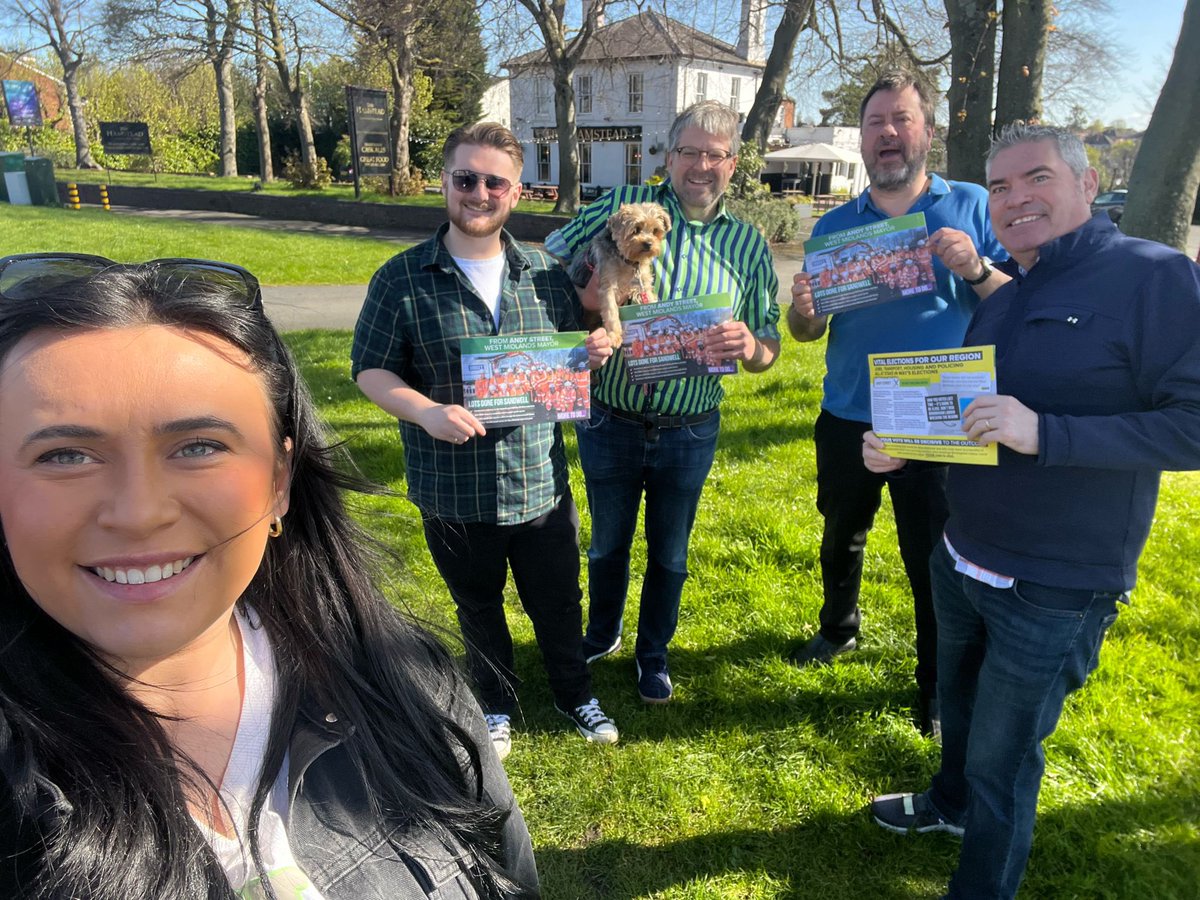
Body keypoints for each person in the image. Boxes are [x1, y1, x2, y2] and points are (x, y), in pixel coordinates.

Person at [0, 253, 538, 898]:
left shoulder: (415, 687)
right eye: (65, 454)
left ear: (280, 481)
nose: (139, 514)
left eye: (199, 446)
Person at [864, 124, 1200, 899]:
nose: (1016, 200)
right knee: (958, 704)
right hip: (963, 552)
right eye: (1003, 186)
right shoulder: (1011, 290)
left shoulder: (1153, 277)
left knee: (1002, 757)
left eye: (1036, 178)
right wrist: (907, 446)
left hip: (1054, 583)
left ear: (1088, 184)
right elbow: (975, 417)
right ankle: (947, 805)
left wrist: (1046, 433)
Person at [351, 122, 618, 758]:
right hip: (452, 485)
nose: (478, 192)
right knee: (478, 606)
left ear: (515, 192)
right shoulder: (403, 278)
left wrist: (590, 356)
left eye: (493, 181)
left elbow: (559, 365)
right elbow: (371, 368)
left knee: (558, 601)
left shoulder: (546, 276)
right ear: (443, 183)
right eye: (465, 178)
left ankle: (573, 690)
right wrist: (424, 412)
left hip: (538, 483)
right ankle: (495, 704)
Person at [787, 70, 1006, 736]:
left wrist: (974, 268)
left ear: (927, 132)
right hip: (850, 412)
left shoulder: (971, 206)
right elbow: (808, 331)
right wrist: (802, 312)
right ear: (861, 138)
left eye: (901, 119)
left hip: (941, 419)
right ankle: (837, 629)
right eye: (876, 122)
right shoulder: (834, 225)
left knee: (933, 558)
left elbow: (1015, 304)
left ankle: (936, 685)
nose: (888, 133)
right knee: (840, 533)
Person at [545, 101, 781, 704]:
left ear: (733, 165)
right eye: (690, 152)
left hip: (690, 426)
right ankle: (602, 634)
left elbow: (771, 344)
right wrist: (587, 290)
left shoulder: (749, 246)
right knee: (607, 542)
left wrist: (751, 343)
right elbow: (550, 255)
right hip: (612, 416)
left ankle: (655, 653)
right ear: (669, 157)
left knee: (670, 553)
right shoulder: (620, 204)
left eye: (715, 155)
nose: (702, 165)